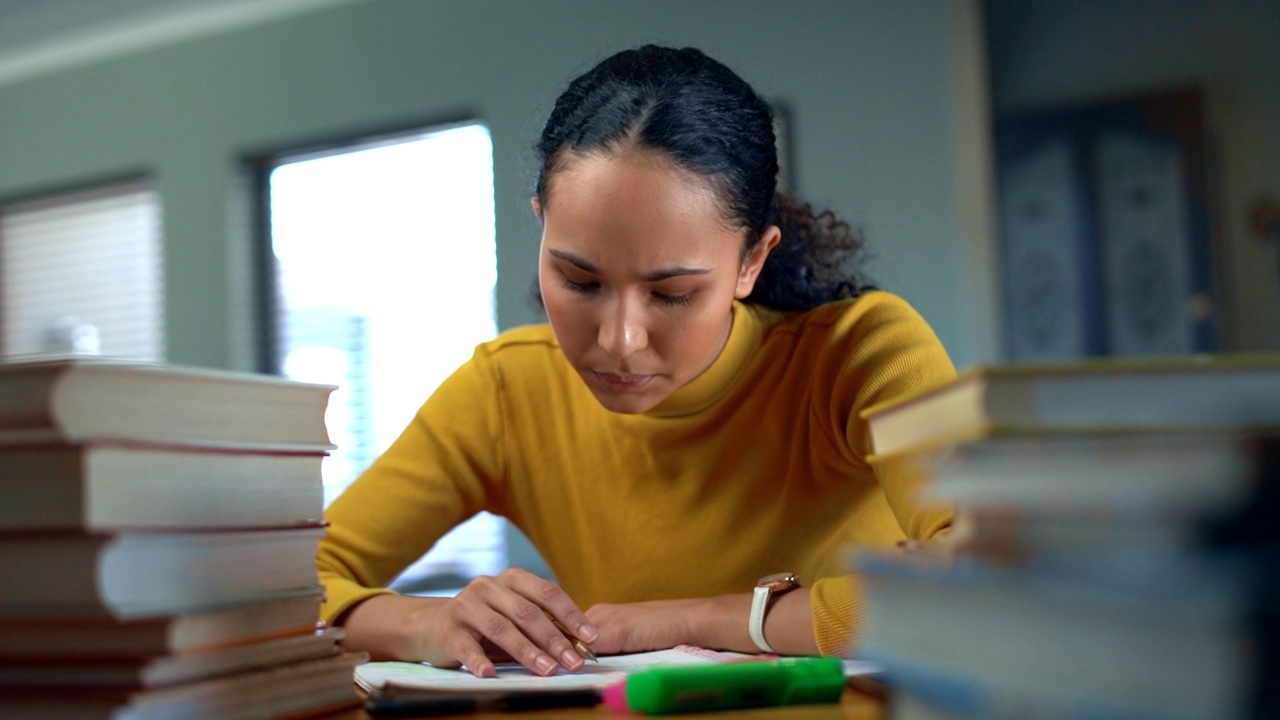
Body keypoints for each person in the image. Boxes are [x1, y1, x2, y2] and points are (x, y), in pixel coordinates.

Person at [317, 44, 956, 679]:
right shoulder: (505, 393)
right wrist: (426, 623)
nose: (620, 340)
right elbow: (280, 588)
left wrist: (697, 619)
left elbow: (998, 580)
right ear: (540, 225)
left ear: (751, 262)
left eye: (672, 294)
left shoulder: (859, 356)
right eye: (578, 280)